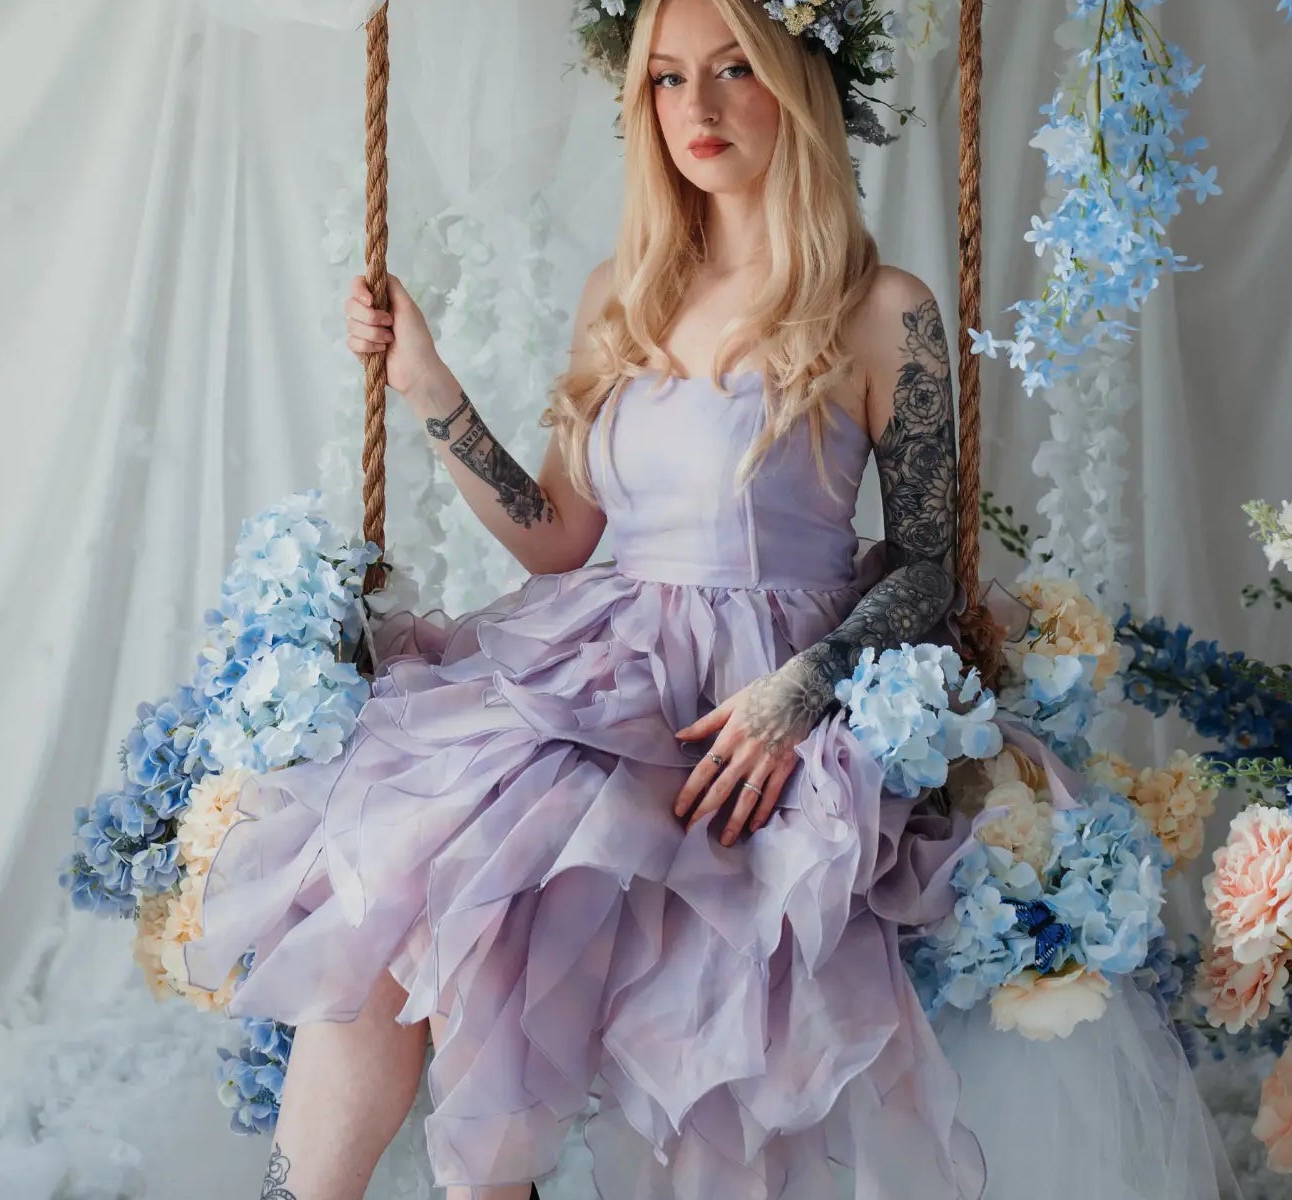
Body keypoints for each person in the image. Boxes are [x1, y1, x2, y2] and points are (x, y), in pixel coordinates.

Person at [184, 1, 986, 1196]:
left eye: (731, 71)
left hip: (745, 702)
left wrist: (803, 692)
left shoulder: (883, 310)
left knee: (523, 868)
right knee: (402, 862)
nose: (696, 111)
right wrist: (425, 380)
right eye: (664, 81)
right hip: (605, 655)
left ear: (798, 83)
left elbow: (929, 566)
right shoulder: (629, 290)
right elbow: (556, 540)